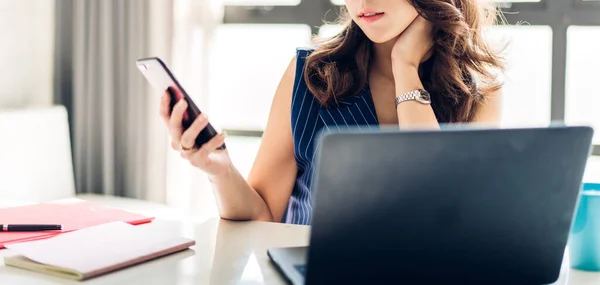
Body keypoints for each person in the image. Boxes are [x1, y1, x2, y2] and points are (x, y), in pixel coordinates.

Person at [159, 0, 505, 225]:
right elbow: (263, 216)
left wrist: (406, 66)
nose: (363, 3)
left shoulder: (476, 92)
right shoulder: (310, 75)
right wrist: (219, 171)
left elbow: (436, 214)